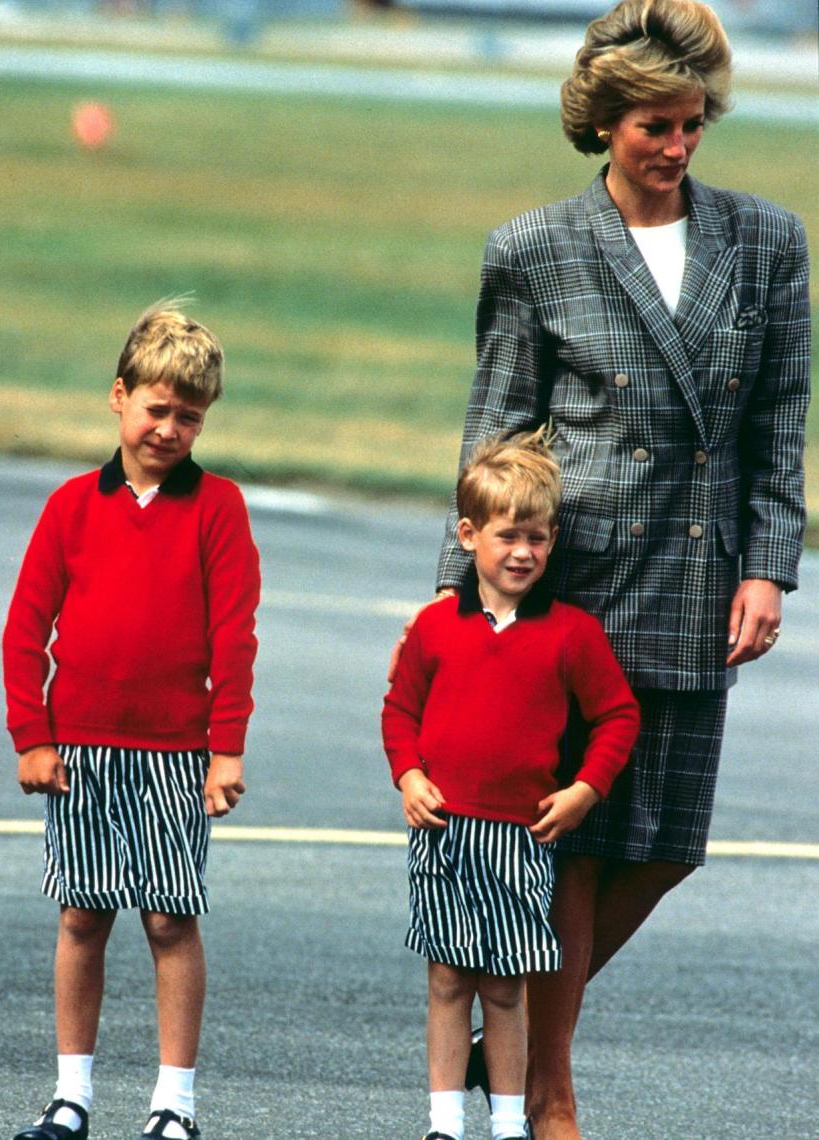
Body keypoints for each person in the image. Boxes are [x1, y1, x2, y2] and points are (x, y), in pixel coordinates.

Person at [410, 1, 810, 1136]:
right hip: (573, 582)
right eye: (654, 126)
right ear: (605, 124)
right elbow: (496, 428)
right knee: (574, 846)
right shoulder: (534, 249)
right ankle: (548, 1095)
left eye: (692, 126)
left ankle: (519, 1027)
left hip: (700, 575)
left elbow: (781, 419)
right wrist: (459, 597)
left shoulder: (769, 242)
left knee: (669, 843)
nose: (678, 148)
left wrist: (770, 563)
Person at [2, 302, 261, 1140]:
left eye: (190, 416)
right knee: (81, 915)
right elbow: (23, 628)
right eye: (157, 408)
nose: (170, 428)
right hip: (77, 749)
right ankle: (70, 1096)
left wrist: (226, 751)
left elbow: (235, 638)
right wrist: (32, 737)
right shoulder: (72, 506)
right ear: (119, 397)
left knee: (168, 920)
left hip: (175, 755)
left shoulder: (218, 508)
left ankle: (172, 1107)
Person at [382, 431, 640, 1140]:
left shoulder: (571, 634)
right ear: (468, 536)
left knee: (503, 986)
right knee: (445, 981)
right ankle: (443, 1123)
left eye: (537, 537)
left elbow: (617, 714)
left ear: (552, 540)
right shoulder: (435, 628)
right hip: (443, 832)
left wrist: (585, 788)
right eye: (507, 536)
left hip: (520, 840)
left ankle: (504, 1123)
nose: (522, 552)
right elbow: (399, 710)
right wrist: (407, 774)